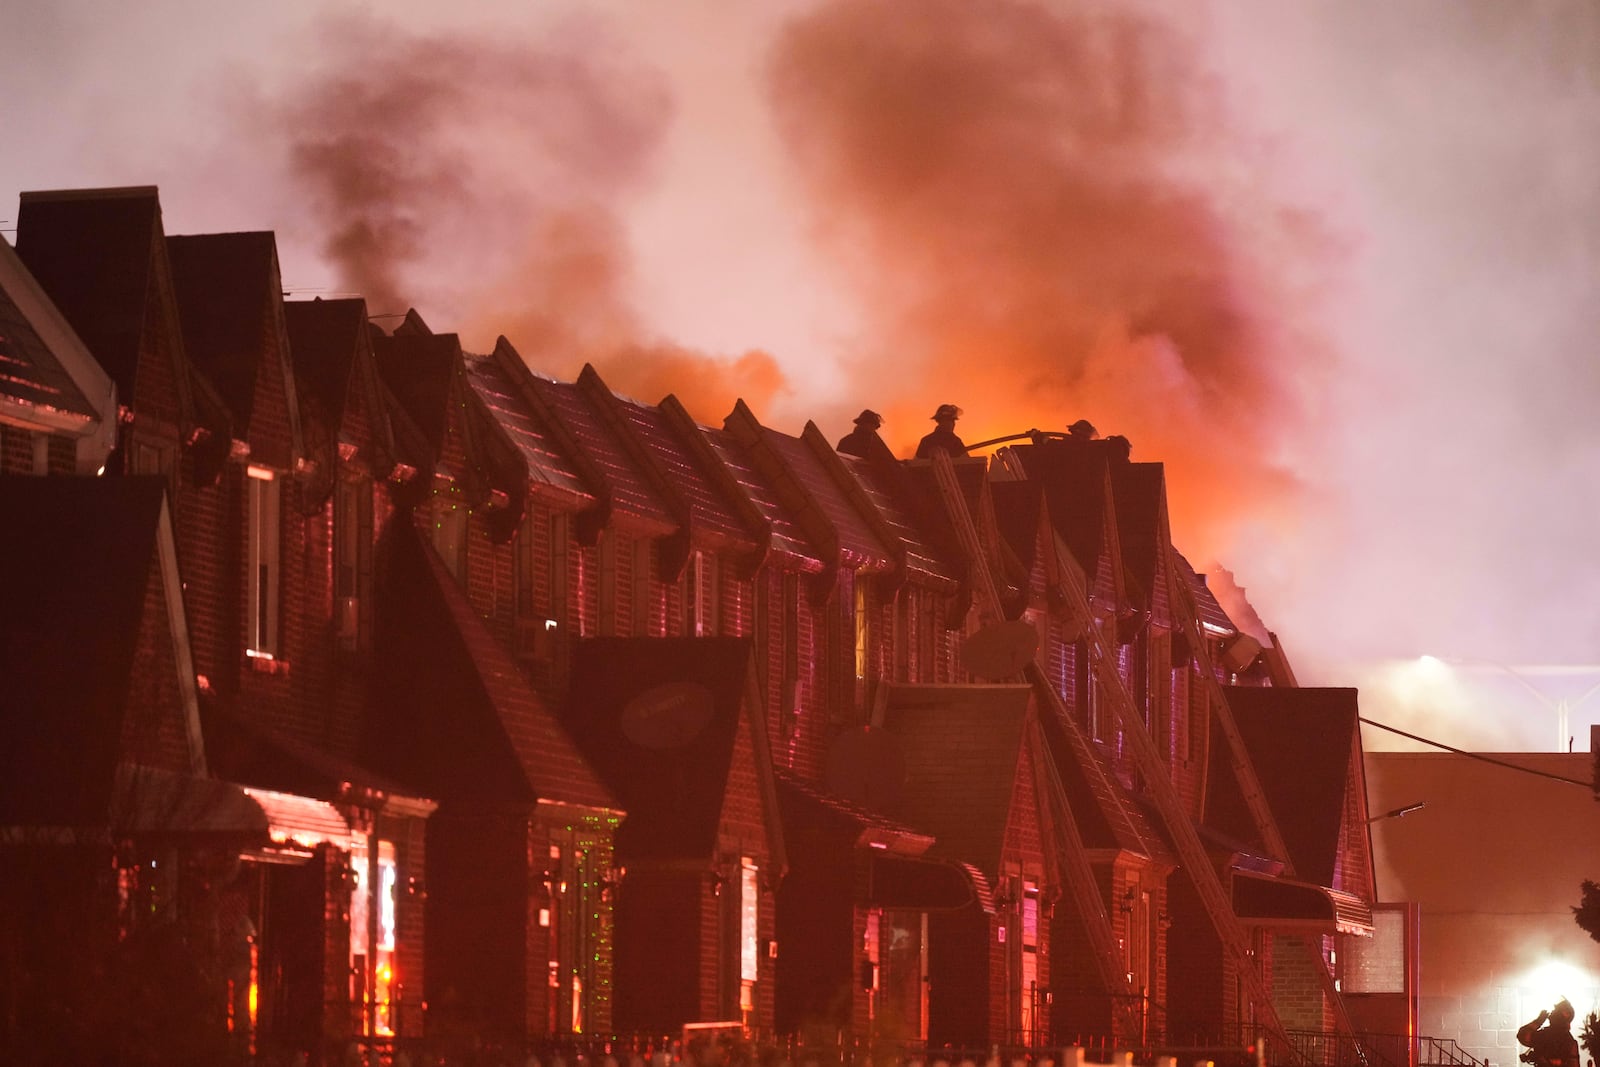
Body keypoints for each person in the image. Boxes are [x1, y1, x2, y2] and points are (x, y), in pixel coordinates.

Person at [1518, 998, 1580, 1067]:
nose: (1552, 1012)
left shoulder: (1568, 1042)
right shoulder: (1545, 1034)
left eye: (1555, 1011)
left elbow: (1523, 1037)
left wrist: (1538, 1021)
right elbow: (1523, 1036)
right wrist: (1538, 1021)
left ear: (1560, 1016)